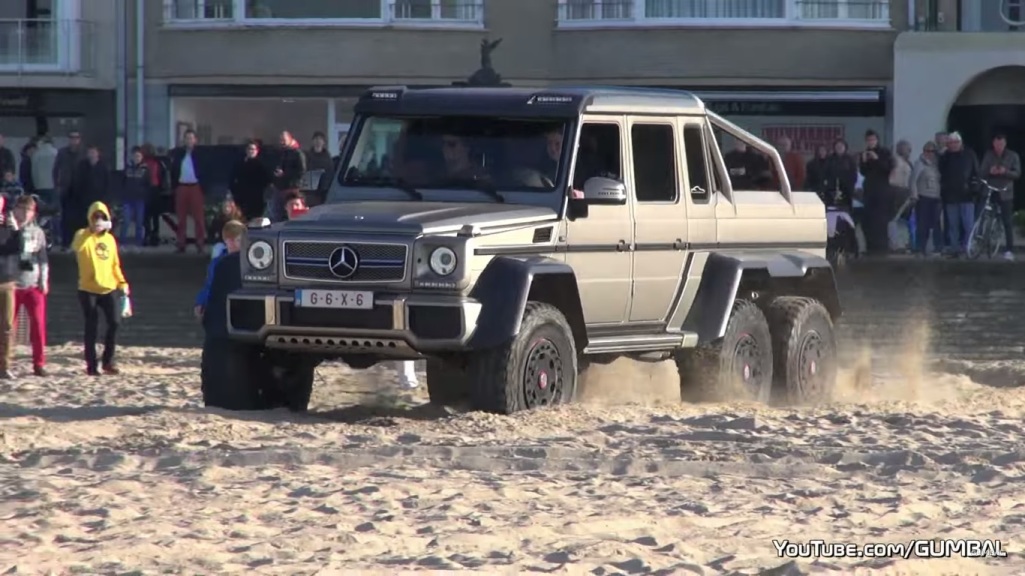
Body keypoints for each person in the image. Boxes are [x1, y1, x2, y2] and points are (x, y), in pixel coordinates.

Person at [198, 232, 255, 409]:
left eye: (237, 239)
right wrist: (201, 302)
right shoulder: (221, 263)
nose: (233, 243)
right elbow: (208, 286)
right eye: (229, 239)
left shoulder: (239, 262)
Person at [72, 201, 130, 376]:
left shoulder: (110, 239)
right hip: (88, 289)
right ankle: (91, 365)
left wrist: (122, 283)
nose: (98, 220)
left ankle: (108, 361)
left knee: (114, 322)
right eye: (95, 217)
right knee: (92, 326)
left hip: (108, 288)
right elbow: (78, 247)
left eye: (102, 217)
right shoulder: (82, 235)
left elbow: (115, 265)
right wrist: (91, 231)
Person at [11, 195, 48, 376]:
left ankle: (39, 363)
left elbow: (43, 259)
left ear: (33, 213)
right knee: (8, 326)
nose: (24, 213)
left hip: (32, 284)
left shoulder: (38, 233)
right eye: (21, 209)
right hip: (11, 284)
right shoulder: (7, 229)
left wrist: (44, 280)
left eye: (28, 210)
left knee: (38, 325)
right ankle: (6, 361)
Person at [978, 132, 1021, 261]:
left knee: (1007, 221)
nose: (998, 147)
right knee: (983, 216)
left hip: (1005, 191)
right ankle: (980, 243)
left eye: (1001, 144)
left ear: (1005, 143)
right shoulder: (988, 155)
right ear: (993, 144)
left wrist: (1005, 172)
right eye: (996, 144)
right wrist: (989, 171)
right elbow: (981, 171)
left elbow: (1017, 173)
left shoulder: (1013, 156)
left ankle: (1009, 250)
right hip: (991, 190)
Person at [937, 131, 979, 256]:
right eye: (950, 143)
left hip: (967, 195)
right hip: (950, 196)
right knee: (953, 225)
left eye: (956, 142)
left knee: (968, 224)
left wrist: (974, 188)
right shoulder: (945, 156)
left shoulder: (969, 154)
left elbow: (976, 172)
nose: (953, 145)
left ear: (960, 142)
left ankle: (968, 247)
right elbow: (941, 173)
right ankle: (954, 248)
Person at [195, 220, 244, 321]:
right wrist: (200, 303)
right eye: (239, 240)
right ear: (228, 241)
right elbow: (209, 285)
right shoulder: (217, 263)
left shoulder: (248, 261)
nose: (242, 244)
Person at [858, 130, 894, 255]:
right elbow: (863, 172)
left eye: (873, 140)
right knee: (869, 220)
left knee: (881, 220)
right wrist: (863, 162)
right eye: (869, 140)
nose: (871, 142)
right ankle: (871, 247)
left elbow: (887, 169)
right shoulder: (865, 153)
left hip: (882, 190)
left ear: (877, 140)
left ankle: (882, 247)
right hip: (869, 190)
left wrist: (877, 159)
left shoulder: (884, 152)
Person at [170, 129, 207, 253]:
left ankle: (200, 243)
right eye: (187, 138)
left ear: (195, 140)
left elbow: (206, 171)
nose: (189, 140)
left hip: (195, 187)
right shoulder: (179, 154)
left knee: (199, 218)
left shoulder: (200, 154)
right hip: (182, 187)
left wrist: (204, 187)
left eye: (191, 138)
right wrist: (174, 186)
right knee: (181, 218)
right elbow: (173, 170)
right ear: (184, 140)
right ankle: (181, 243)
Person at [0, 195, 23, 379]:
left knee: (7, 325)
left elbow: (19, 249)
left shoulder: (9, 227)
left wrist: (15, 230)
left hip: (7, 282)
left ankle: (5, 365)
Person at [910, 141, 943, 257]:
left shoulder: (936, 165)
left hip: (936, 197)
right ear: (923, 152)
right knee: (922, 224)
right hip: (923, 196)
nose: (930, 153)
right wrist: (914, 195)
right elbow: (913, 180)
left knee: (936, 224)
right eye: (927, 151)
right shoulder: (919, 164)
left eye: (933, 151)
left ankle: (938, 247)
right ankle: (920, 248)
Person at [54, 130, 85, 249]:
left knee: (79, 217)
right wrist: (57, 184)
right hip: (66, 188)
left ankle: (78, 242)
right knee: (66, 217)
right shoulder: (62, 153)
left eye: (76, 138)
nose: (74, 140)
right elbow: (56, 169)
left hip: (80, 188)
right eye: (72, 138)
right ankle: (66, 242)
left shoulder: (83, 153)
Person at [229, 140, 272, 220]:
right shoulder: (240, 164)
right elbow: (233, 179)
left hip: (256, 198)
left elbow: (267, 180)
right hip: (241, 197)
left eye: (253, 149)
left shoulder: (261, 165)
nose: (251, 151)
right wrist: (234, 191)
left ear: (257, 151)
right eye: (249, 149)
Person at [269, 131, 306, 222]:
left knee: (292, 212)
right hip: (279, 187)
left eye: (284, 140)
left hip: (291, 188)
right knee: (277, 212)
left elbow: (302, 171)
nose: (282, 142)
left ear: (290, 139)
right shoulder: (281, 153)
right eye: (281, 140)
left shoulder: (298, 153)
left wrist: (285, 173)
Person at [120, 146, 150, 248]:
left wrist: (144, 195)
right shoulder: (127, 168)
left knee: (139, 222)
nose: (137, 158)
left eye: (139, 156)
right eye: (135, 156)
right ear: (132, 157)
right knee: (126, 221)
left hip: (140, 199)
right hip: (128, 199)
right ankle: (122, 243)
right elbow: (122, 182)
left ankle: (138, 244)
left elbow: (148, 184)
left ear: (142, 157)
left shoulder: (145, 169)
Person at [142, 143, 172, 247]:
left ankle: (154, 236)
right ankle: (148, 235)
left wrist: (164, 189)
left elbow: (164, 175)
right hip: (146, 190)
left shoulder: (159, 162)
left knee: (154, 216)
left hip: (156, 190)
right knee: (147, 216)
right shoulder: (143, 162)